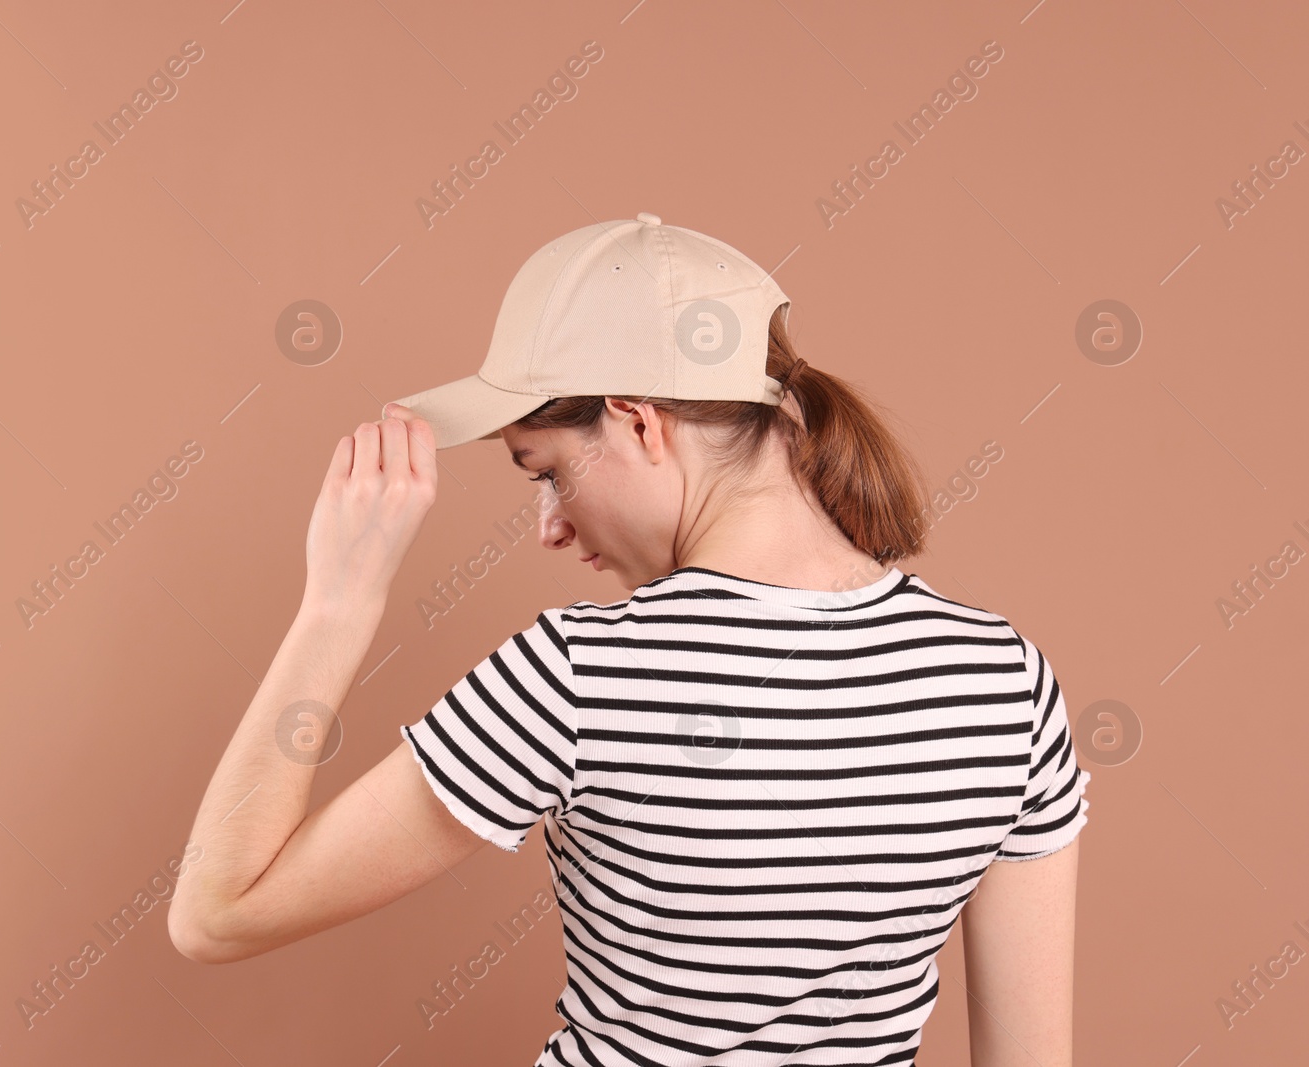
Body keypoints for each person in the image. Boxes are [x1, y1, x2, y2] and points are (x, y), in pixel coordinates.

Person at [167, 213, 1091, 1067]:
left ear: (639, 420)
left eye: (550, 472)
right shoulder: (1004, 681)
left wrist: (338, 601)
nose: (551, 528)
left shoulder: (583, 673)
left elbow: (217, 911)